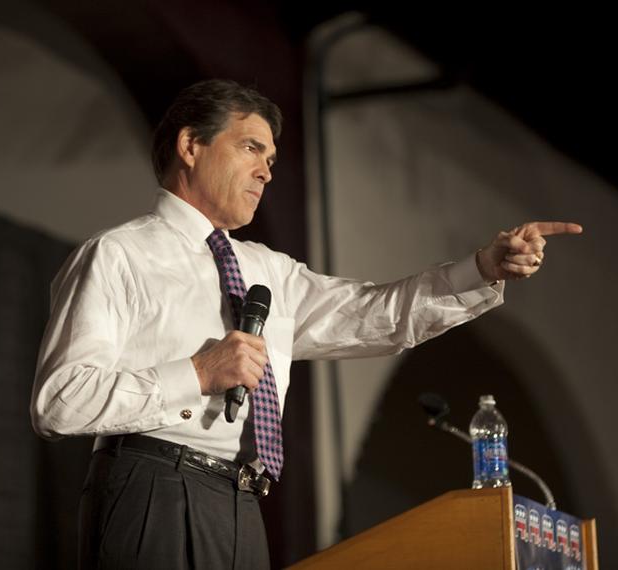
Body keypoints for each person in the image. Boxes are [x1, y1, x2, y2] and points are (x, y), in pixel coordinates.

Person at [30, 79, 582, 569]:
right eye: (251, 147)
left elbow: (377, 315)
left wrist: (481, 269)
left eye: (271, 156)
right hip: (152, 490)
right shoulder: (119, 255)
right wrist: (197, 373)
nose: (267, 169)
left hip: (245, 503)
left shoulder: (268, 269)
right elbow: (61, 401)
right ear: (190, 145)